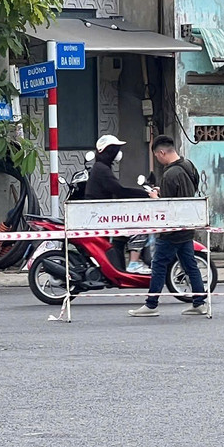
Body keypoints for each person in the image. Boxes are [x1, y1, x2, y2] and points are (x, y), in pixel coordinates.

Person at [129, 135, 208, 317]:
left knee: (158, 265)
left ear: (162, 152)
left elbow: (167, 205)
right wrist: (162, 191)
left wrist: (157, 198)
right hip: (187, 225)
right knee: (190, 265)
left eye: (157, 155)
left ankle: (151, 305)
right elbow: (183, 194)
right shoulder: (188, 166)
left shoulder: (170, 174)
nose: (158, 159)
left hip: (172, 228)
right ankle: (199, 303)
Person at [86, 134, 152, 274]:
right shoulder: (102, 169)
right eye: (116, 149)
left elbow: (115, 191)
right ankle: (134, 264)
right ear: (110, 151)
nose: (119, 152)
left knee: (120, 238)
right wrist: (145, 195)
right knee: (139, 227)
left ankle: (119, 270)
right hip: (101, 215)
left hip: (102, 213)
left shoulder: (101, 168)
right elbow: (119, 190)